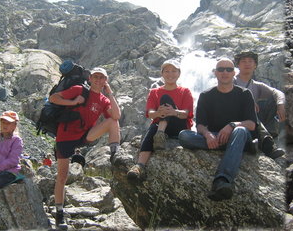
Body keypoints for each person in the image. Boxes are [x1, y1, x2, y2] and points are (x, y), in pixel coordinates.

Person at [49, 67, 120, 230]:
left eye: (102, 78)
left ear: (105, 81)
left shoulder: (103, 99)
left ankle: (115, 155)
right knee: (62, 177)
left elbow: (116, 116)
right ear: (90, 78)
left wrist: (110, 93)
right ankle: (59, 213)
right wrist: (73, 102)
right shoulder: (79, 89)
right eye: (95, 77)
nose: (98, 80)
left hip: (84, 136)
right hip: (65, 137)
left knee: (113, 122)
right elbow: (54, 98)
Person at [179, 57, 257, 201]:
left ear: (234, 73)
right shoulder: (206, 95)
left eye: (229, 69)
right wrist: (208, 135)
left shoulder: (245, 94)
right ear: (215, 72)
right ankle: (231, 149)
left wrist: (232, 125)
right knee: (184, 136)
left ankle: (222, 180)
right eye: (221, 69)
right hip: (215, 138)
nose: (225, 72)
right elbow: (200, 125)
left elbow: (251, 124)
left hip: (240, 136)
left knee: (240, 131)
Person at [127, 59, 194, 182]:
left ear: (179, 73)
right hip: (159, 125)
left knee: (165, 100)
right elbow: (150, 113)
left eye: (174, 71)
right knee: (154, 127)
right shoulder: (154, 92)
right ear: (162, 74)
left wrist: (174, 112)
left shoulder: (185, 91)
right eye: (167, 71)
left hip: (179, 125)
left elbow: (187, 114)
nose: (170, 74)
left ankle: (143, 160)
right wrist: (159, 112)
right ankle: (139, 166)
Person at [234, 51, 285, 159]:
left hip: (256, 122)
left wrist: (280, 104)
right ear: (238, 65)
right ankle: (268, 145)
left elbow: (278, 93)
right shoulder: (231, 81)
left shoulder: (257, 85)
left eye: (250, 61)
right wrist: (249, 103)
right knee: (249, 109)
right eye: (243, 61)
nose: (247, 64)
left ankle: (269, 135)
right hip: (237, 120)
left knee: (274, 99)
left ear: (255, 65)